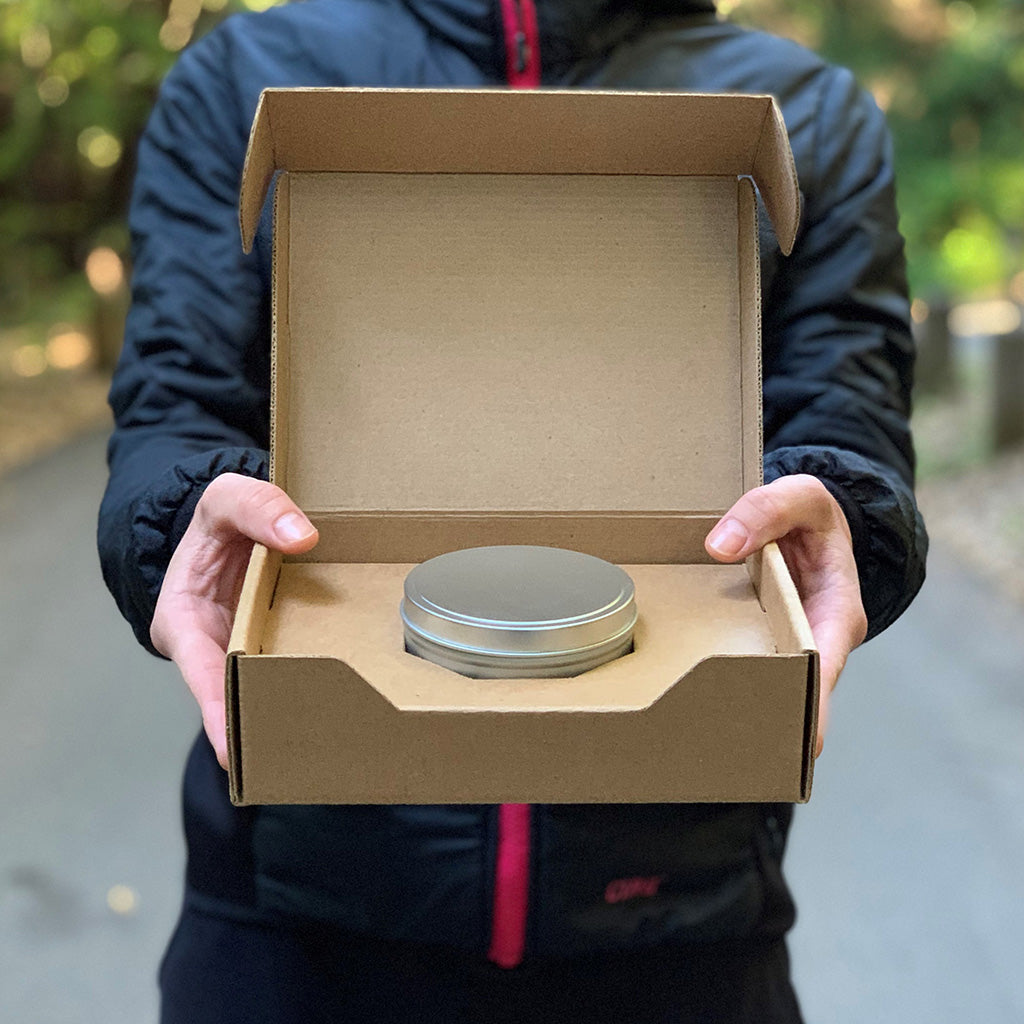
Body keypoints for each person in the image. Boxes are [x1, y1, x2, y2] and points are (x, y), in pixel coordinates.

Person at [98, 1, 928, 1021]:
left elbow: (848, 411)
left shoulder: (804, 114)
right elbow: (176, 403)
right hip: (297, 924)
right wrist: (179, 518)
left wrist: (845, 512)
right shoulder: (245, 79)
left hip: (685, 925)